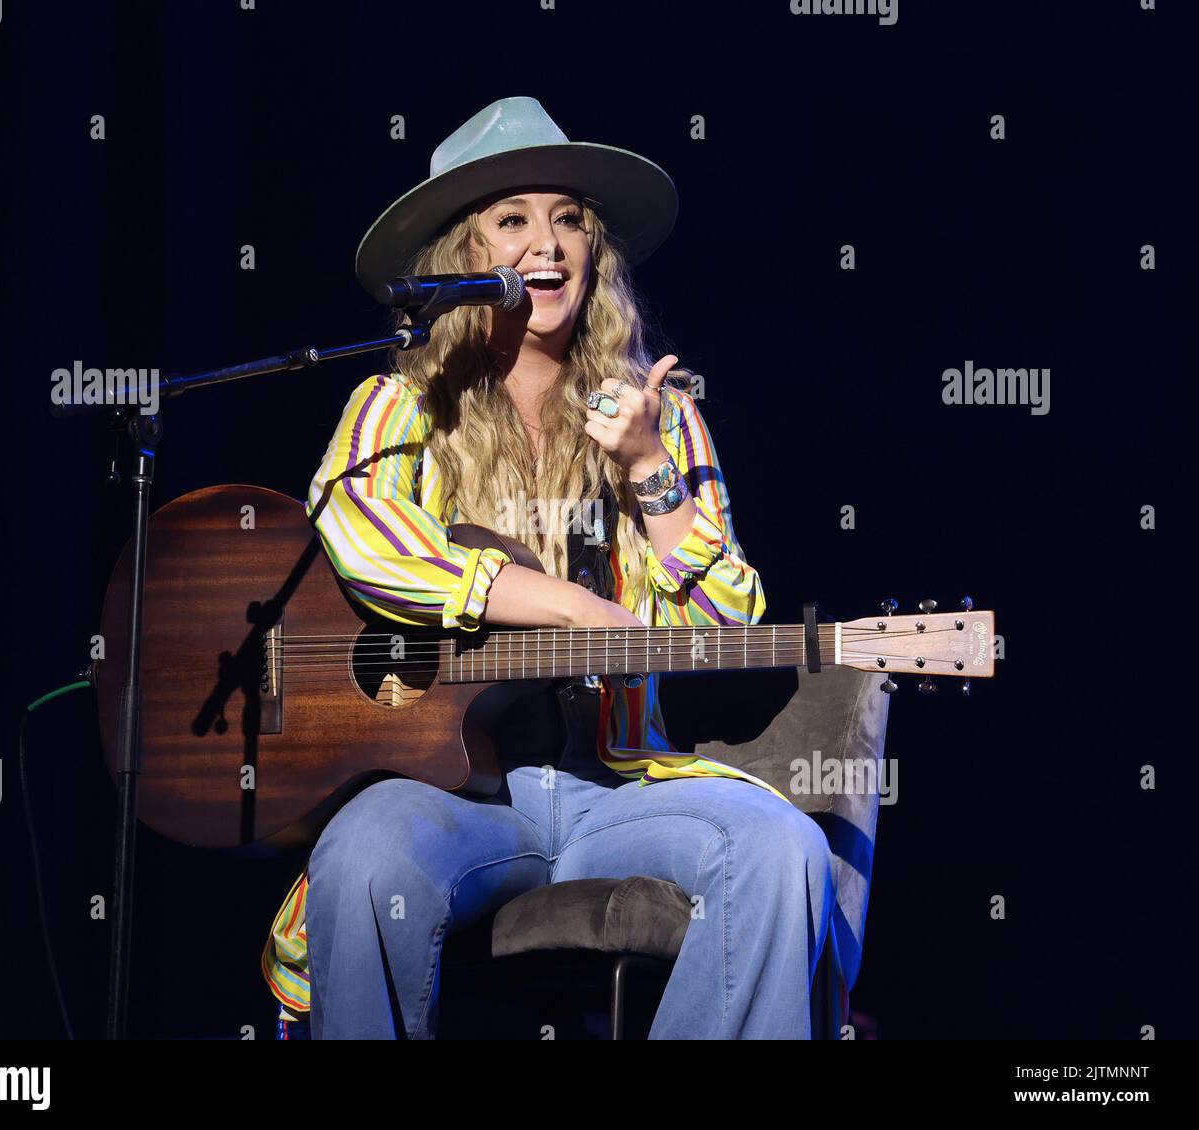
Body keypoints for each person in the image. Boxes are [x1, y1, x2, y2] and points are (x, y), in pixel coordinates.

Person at [261, 96, 834, 1039]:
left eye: (569, 218)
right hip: (461, 793)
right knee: (363, 853)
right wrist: (568, 604)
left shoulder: (659, 413)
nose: (549, 243)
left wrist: (649, 471)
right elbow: (360, 533)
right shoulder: (403, 403)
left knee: (784, 851)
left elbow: (725, 631)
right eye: (512, 219)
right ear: (462, 255)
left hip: (618, 785)